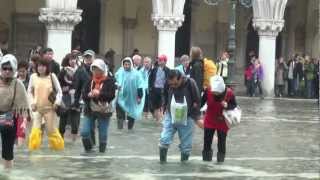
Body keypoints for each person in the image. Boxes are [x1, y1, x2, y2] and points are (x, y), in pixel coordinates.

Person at [159, 69, 203, 163]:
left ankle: (184, 169)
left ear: (181, 79)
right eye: (171, 84)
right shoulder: (168, 83)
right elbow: (164, 94)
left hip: (187, 116)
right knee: (164, 139)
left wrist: (196, 117)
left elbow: (197, 100)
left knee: (186, 145)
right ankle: (162, 164)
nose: (173, 86)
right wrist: (164, 104)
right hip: (171, 115)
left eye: (175, 84)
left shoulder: (190, 83)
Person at [0, 54, 31, 168]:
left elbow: (24, 109)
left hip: (9, 117)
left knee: (8, 152)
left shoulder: (18, 84)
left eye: (10, 68)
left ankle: (8, 173)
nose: (7, 71)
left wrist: (21, 133)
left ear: (14, 70)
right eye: (4, 68)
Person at [28, 58, 64, 151]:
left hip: (50, 109)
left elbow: (59, 91)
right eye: (39, 66)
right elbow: (29, 92)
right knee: (35, 132)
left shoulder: (52, 76)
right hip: (37, 109)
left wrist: (57, 102)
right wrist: (31, 103)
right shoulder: (33, 77)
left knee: (51, 132)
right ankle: (34, 152)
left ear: (47, 67)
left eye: (43, 66)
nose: (41, 68)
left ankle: (58, 151)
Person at [80, 59, 116, 153]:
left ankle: (101, 157)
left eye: (98, 69)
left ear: (103, 69)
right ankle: (89, 152)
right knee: (84, 132)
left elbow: (111, 95)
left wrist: (99, 94)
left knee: (102, 135)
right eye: (94, 69)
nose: (96, 71)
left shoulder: (109, 81)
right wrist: (89, 95)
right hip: (90, 109)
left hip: (104, 111)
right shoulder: (89, 81)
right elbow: (84, 95)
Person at [201, 75, 237, 164]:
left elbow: (234, 105)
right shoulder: (208, 90)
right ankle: (206, 162)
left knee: (221, 142)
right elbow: (201, 103)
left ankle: (220, 162)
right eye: (214, 92)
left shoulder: (229, 93)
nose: (215, 93)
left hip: (222, 121)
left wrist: (227, 105)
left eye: (217, 92)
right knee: (207, 141)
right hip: (210, 118)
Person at [73, 49, 96, 145]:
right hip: (86, 100)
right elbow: (77, 87)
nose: (88, 59)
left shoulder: (99, 68)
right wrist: (76, 102)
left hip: (98, 100)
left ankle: (94, 145)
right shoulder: (80, 70)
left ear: (94, 58)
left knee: (93, 125)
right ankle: (89, 146)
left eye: (90, 57)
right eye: (86, 57)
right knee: (88, 125)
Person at [115, 57, 145, 130]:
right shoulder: (119, 72)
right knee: (120, 113)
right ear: (123, 64)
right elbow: (114, 81)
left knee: (131, 113)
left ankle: (130, 129)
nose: (127, 66)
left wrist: (139, 97)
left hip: (132, 97)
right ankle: (120, 129)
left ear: (131, 64)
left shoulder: (136, 74)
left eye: (128, 64)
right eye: (125, 64)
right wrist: (116, 86)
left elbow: (140, 86)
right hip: (121, 97)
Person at [58, 53, 80, 141]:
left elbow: (84, 82)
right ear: (68, 61)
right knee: (63, 116)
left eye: (74, 59)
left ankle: (74, 139)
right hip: (65, 96)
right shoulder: (63, 70)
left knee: (75, 118)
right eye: (71, 59)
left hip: (76, 97)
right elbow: (58, 83)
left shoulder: (79, 70)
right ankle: (60, 138)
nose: (72, 61)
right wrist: (63, 89)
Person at [149, 55, 170, 123]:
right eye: (159, 60)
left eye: (161, 60)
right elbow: (150, 79)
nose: (159, 62)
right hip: (155, 89)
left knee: (162, 104)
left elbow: (169, 80)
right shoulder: (154, 69)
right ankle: (157, 119)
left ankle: (162, 119)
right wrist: (150, 88)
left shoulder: (168, 70)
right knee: (155, 105)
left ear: (165, 61)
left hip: (163, 89)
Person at [16, 60, 31, 146]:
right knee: (19, 131)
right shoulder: (14, 81)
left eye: (23, 71)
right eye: (20, 71)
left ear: (27, 70)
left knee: (26, 130)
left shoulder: (30, 81)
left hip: (28, 109)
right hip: (16, 109)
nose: (21, 73)